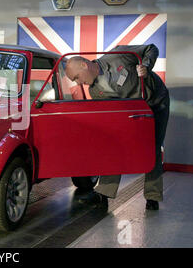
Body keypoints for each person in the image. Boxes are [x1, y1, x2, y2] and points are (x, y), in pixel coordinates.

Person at [65, 44, 169, 211]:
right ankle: (103, 194)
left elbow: (151, 48)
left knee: (153, 148)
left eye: (77, 77)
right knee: (114, 147)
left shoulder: (118, 56)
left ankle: (152, 197)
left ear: (84, 65)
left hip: (156, 102)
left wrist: (146, 66)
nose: (78, 83)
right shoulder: (95, 91)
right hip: (132, 109)